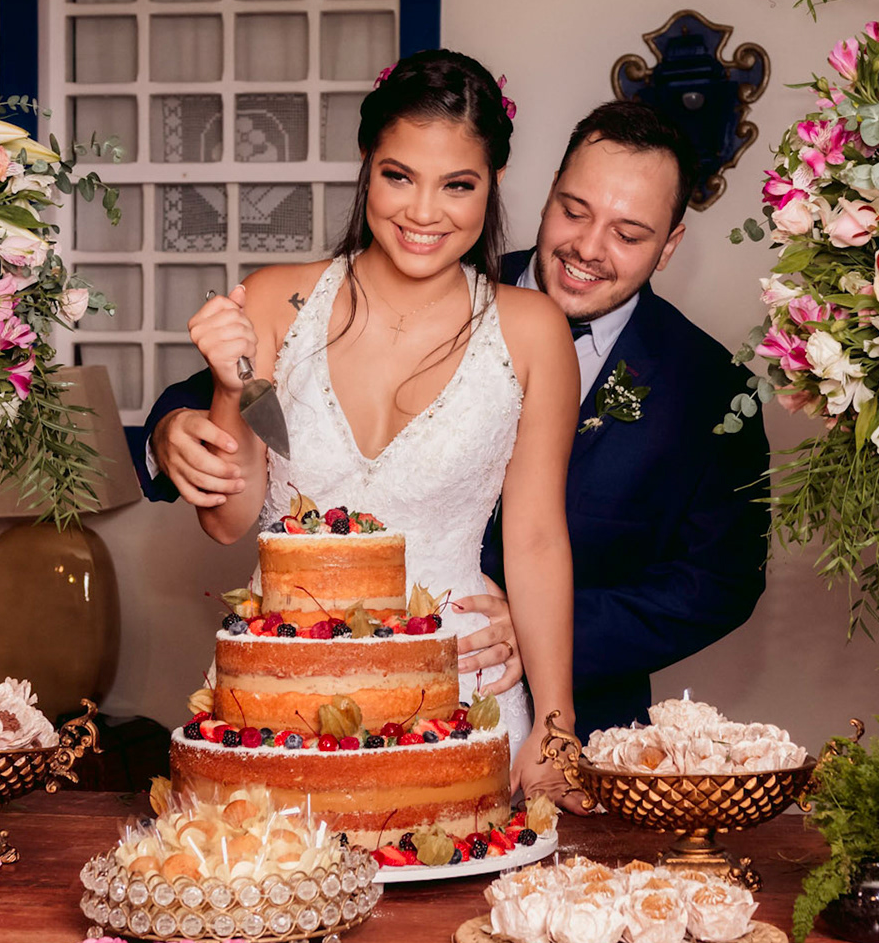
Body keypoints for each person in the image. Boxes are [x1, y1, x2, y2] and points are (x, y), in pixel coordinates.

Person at [143, 101, 769, 736]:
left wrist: (544, 632)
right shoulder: (431, 260)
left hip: (552, 707)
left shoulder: (711, 388)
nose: (587, 247)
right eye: (573, 212)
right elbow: (244, 386)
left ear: (669, 246)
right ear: (544, 194)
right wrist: (169, 429)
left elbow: (719, 582)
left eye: (628, 234)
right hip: (303, 669)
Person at [173, 50, 577, 802]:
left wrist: (557, 726)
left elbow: (536, 539)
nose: (424, 213)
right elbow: (227, 522)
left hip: (462, 693)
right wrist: (229, 385)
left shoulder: (532, 330)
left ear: (492, 186)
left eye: (459, 185)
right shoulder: (271, 299)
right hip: (281, 709)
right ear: (367, 163)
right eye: (399, 176)